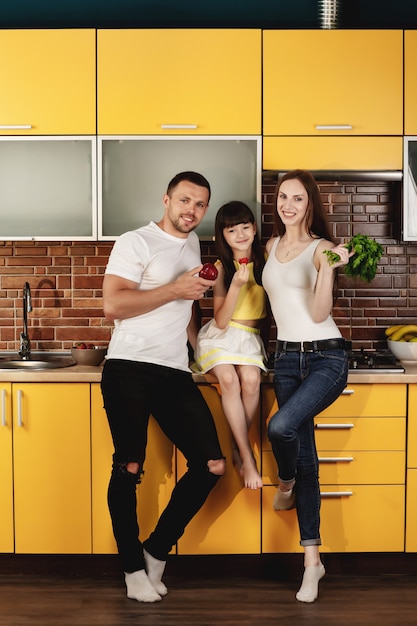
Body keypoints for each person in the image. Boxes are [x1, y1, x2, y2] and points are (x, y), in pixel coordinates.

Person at [100, 171, 226, 603]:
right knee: (129, 467)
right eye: (184, 200)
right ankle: (133, 569)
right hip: (129, 366)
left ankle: (155, 551)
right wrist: (175, 288)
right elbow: (113, 304)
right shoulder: (135, 241)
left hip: (173, 370)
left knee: (210, 465)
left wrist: (202, 354)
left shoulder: (192, 246)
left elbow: (186, 308)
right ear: (167, 200)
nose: (191, 210)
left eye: (200, 204)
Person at [262, 170, 353, 603]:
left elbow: (318, 315)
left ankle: (284, 484)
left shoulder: (321, 249)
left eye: (297, 198)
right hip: (284, 360)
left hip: (326, 357)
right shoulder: (270, 246)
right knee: (308, 459)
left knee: (280, 428)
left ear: (310, 204)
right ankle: (312, 562)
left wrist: (330, 269)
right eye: (283, 197)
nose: (288, 205)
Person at [193, 201, 267, 490]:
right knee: (228, 378)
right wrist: (236, 286)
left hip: (249, 340)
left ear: (254, 229)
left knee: (250, 379)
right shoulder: (221, 270)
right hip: (220, 338)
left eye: (245, 227)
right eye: (231, 229)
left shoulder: (265, 261)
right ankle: (247, 456)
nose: (240, 234)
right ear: (221, 236)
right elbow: (221, 322)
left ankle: (236, 448)